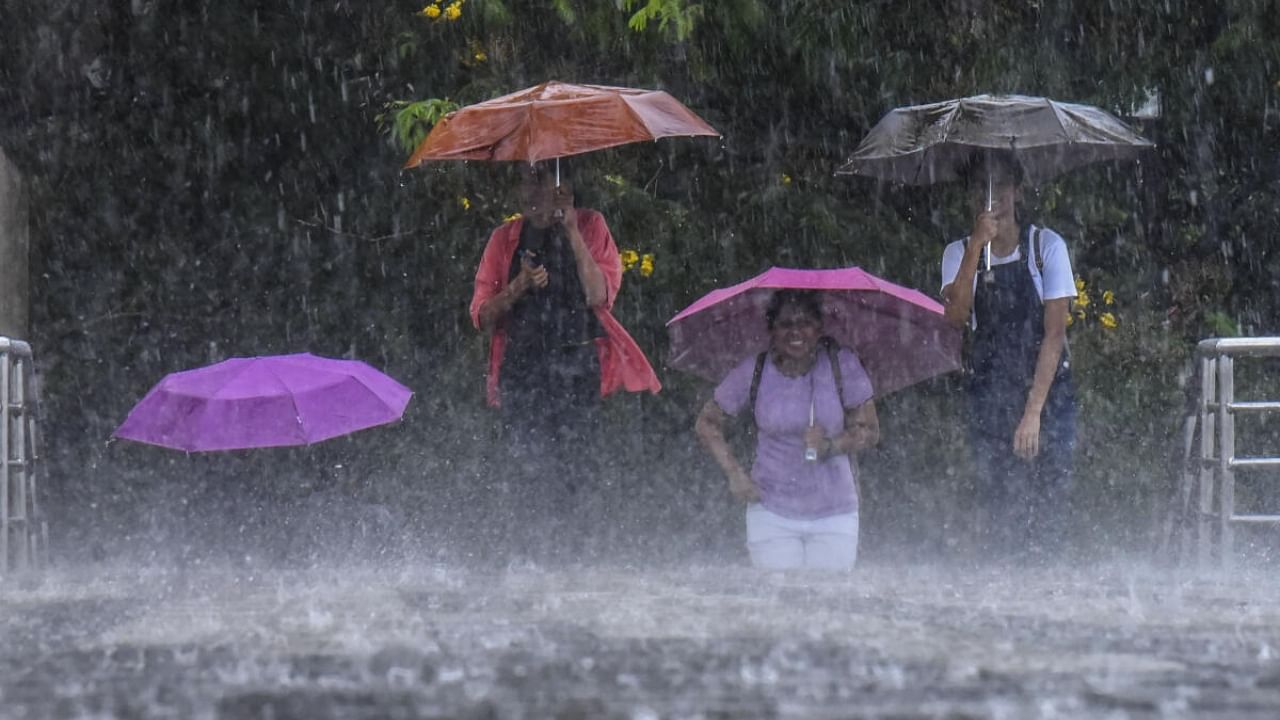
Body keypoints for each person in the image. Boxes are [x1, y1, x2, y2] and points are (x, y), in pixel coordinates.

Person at [470, 161, 660, 560]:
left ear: (564, 185)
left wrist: (571, 229)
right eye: (525, 179)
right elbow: (482, 316)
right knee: (528, 468)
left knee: (576, 468)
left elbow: (598, 296)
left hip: (576, 365)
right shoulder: (504, 239)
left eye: (540, 179)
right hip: (522, 368)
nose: (531, 190)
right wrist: (519, 286)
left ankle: (574, 556)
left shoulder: (592, 226)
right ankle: (529, 556)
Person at [939, 152, 1077, 558]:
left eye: (1000, 185)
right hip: (990, 390)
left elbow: (1054, 335)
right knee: (1000, 501)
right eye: (982, 186)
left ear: (1017, 191)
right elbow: (955, 316)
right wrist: (977, 246)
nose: (992, 195)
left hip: (1049, 394)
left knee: (1049, 502)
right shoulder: (957, 252)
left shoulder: (1045, 246)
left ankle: (1047, 585)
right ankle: (1003, 589)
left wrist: (1033, 412)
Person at [695, 290, 880, 570]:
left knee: (830, 606)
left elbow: (870, 430)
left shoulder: (841, 364)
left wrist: (830, 445)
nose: (796, 331)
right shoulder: (754, 369)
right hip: (770, 508)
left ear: (819, 328)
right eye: (786, 324)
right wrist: (734, 474)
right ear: (771, 329)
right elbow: (707, 423)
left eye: (804, 323)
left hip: (835, 510)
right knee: (777, 605)